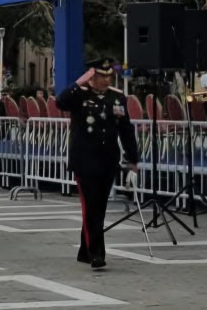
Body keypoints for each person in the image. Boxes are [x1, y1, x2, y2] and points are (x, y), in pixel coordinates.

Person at [56, 57, 139, 270]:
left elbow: (125, 129)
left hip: (108, 159)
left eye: (108, 75)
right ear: (92, 75)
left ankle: (85, 250)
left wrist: (133, 157)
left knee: (99, 206)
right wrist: (79, 82)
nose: (106, 80)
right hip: (84, 160)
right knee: (91, 205)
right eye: (101, 75)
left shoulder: (117, 97)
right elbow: (60, 102)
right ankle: (97, 253)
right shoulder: (79, 94)